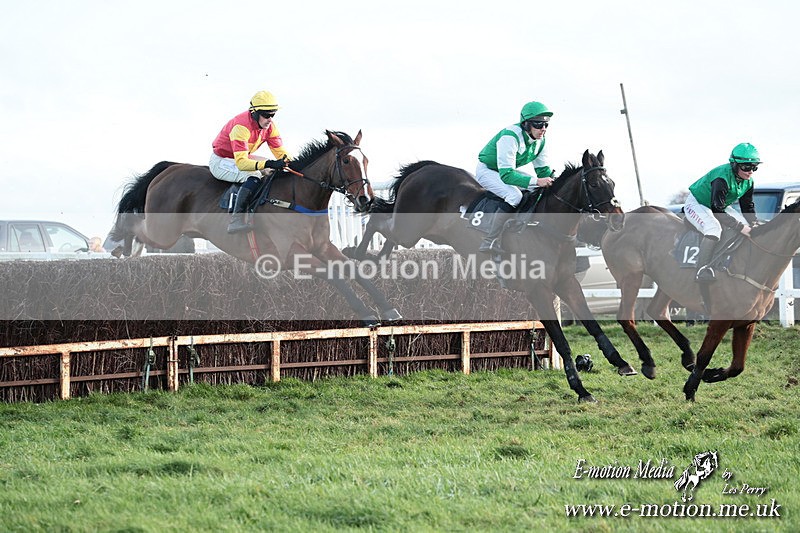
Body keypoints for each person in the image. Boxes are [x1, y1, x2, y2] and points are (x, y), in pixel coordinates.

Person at [475, 101, 555, 253]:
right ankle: (489, 240)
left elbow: (543, 171)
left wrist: (553, 183)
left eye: (546, 125)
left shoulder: (540, 141)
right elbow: (506, 175)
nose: (543, 129)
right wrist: (538, 181)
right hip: (488, 170)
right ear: (526, 124)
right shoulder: (510, 136)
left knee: (538, 188)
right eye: (538, 124)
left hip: (504, 171)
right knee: (514, 196)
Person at [210, 90, 292, 233]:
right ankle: (236, 220)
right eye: (266, 115)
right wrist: (268, 164)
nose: (270, 119)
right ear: (254, 113)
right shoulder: (241, 127)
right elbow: (242, 163)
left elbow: (280, 153)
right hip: (221, 161)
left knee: (271, 171)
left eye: (273, 114)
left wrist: (293, 164)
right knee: (253, 175)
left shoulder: (270, 127)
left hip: (239, 157)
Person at [684, 142, 760, 283]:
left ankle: (722, 260)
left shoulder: (748, 181)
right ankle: (702, 270)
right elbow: (717, 210)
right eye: (746, 167)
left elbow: (747, 206)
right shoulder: (721, 178)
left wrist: (754, 223)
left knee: (746, 225)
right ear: (734, 164)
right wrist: (740, 227)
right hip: (697, 203)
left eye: (754, 167)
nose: (750, 171)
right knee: (714, 229)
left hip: (718, 205)